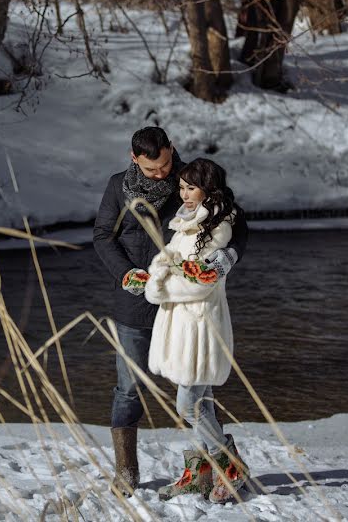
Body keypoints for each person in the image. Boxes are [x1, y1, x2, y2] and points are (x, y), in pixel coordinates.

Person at [93, 127, 248, 496]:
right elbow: (102, 236)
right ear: (134, 159)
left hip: (183, 306)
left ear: (171, 150)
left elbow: (235, 223)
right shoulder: (118, 187)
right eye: (152, 170)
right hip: (134, 302)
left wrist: (227, 257)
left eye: (165, 164)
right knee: (129, 388)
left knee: (193, 388)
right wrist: (125, 272)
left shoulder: (192, 180)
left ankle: (209, 468)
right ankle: (126, 471)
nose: (161, 174)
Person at [144, 157, 249, 503]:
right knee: (201, 403)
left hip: (200, 326)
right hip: (181, 325)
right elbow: (165, 257)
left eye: (190, 188)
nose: (184, 194)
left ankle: (229, 463)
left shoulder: (218, 228)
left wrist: (160, 288)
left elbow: (200, 285)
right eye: (182, 188)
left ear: (208, 189)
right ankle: (202, 471)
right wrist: (162, 272)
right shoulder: (186, 223)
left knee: (188, 406)